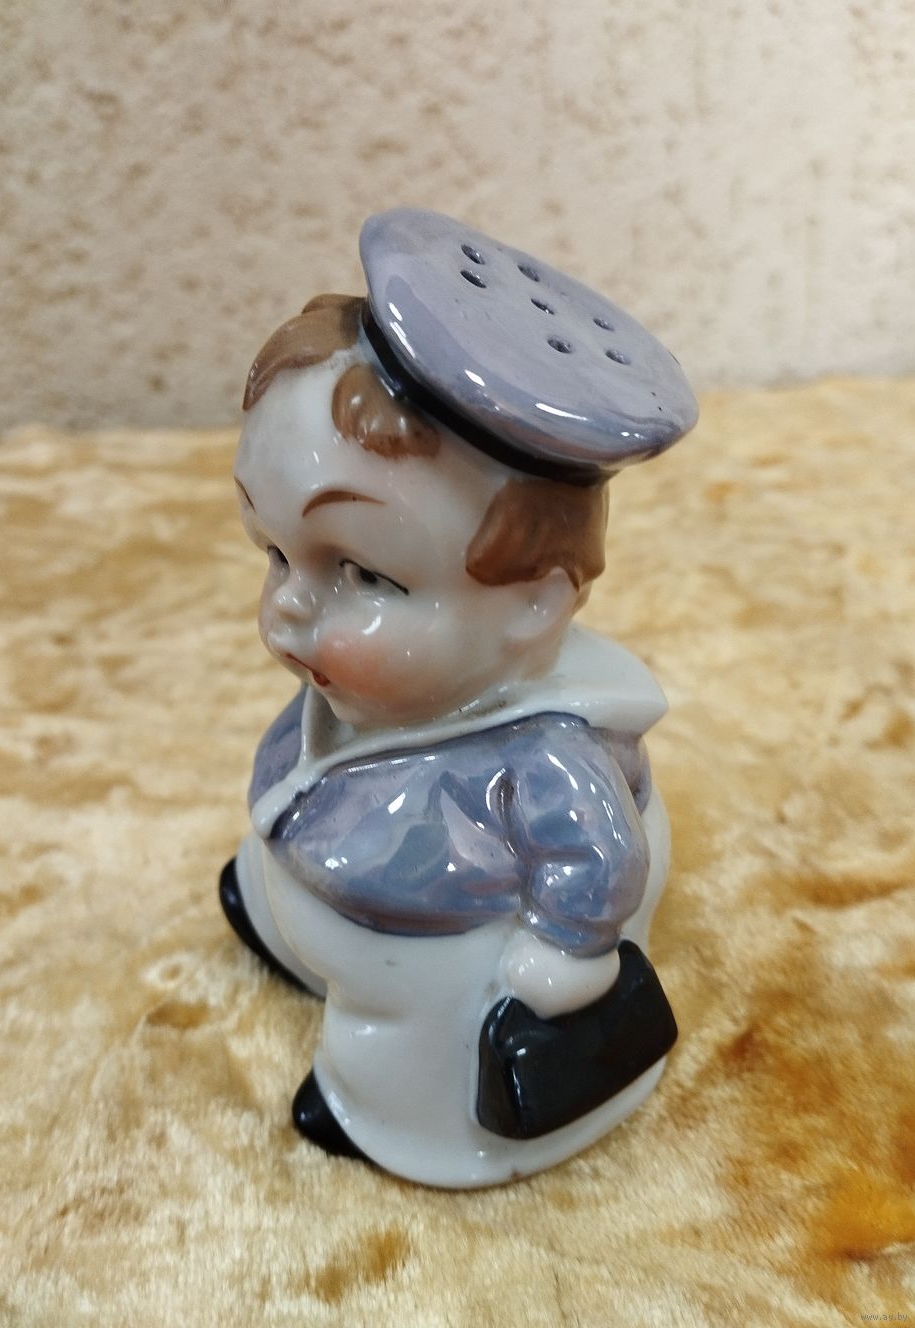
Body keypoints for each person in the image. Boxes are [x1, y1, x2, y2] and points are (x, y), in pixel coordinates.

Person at [219, 211, 695, 1187]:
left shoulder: (546, 754)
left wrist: (566, 955)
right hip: (330, 862)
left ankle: (392, 1108)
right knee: (273, 865)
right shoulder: (369, 691)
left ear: (533, 603)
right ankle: (278, 922)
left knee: (406, 1025)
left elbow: (599, 855)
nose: (289, 606)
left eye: (363, 573)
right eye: (274, 552)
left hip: (431, 952)